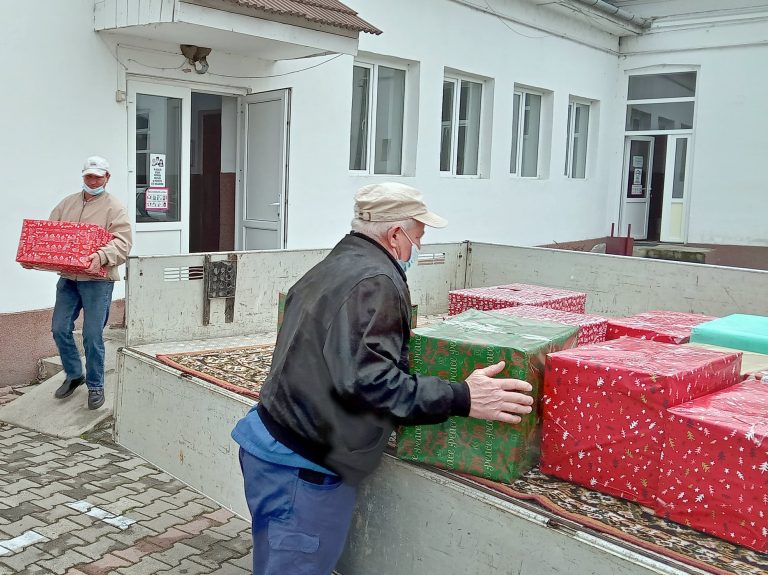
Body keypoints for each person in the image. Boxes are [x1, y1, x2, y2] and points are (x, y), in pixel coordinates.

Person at [231, 182, 534, 575]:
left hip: (273, 444)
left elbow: (343, 360)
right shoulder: (375, 282)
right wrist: (463, 397)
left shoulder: (340, 261)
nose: (419, 249)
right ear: (395, 235)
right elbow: (368, 382)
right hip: (302, 468)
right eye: (419, 237)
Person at [48, 156, 132, 410]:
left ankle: (96, 386)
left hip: (98, 280)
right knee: (59, 328)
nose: (92, 181)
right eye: (88, 176)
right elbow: (50, 233)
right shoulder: (67, 204)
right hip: (69, 278)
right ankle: (75, 374)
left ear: (107, 178)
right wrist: (37, 256)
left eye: (98, 176)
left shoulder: (114, 208)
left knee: (92, 336)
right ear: (83, 177)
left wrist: (101, 256)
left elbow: (123, 243)